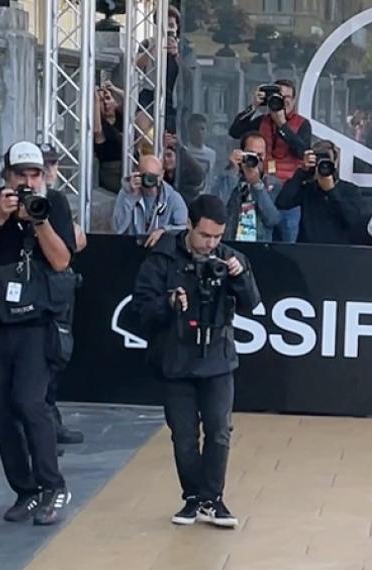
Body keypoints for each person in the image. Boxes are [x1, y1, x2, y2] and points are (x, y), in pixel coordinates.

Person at [0, 141, 77, 525]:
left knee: (31, 402)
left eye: (35, 175)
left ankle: (52, 485)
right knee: (2, 408)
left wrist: (37, 220)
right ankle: (25, 489)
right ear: (6, 176)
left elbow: (62, 261)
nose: (28, 183)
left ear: (44, 176)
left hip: (35, 322)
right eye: (20, 175)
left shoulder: (53, 204)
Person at [130, 195, 261, 528]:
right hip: (175, 358)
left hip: (217, 357)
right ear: (189, 225)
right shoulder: (161, 258)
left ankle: (213, 499)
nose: (211, 244)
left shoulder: (229, 258)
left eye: (217, 237)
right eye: (205, 236)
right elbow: (141, 310)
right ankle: (193, 497)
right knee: (184, 435)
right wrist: (169, 302)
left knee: (219, 430)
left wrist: (239, 275)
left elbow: (252, 303)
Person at [40, 142, 85, 449]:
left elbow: (76, 241)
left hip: (59, 289)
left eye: (53, 164)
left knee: (57, 355)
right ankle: (41, 428)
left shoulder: (55, 200)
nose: (49, 171)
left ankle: (49, 419)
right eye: (43, 166)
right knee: (39, 361)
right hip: (37, 292)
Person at [228, 79, 312, 241]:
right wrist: (253, 106)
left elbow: (302, 151)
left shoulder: (302, 124)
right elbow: (235, 131)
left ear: (294, 101)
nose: (284, 101)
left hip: (289, 198)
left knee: (288, 249)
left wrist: (282, 124)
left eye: (288, 97)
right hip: (263, 194)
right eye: (279, 96)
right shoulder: (263, 121)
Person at [274, 140, 366, 244]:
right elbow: (282, 202)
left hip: (337, 252)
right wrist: (302, 172)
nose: (324, 166)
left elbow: (351, 220)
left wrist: (331, 191)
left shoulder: (350, 190)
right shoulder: (308, 188)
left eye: (327, 162)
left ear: (335, 163)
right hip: (308, 251)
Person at [209, 132, 284, 242]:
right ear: (242, 153)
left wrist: (257, 185)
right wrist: (232, 171)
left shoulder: (273, 184)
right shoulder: (227, 177)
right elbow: (215, 207)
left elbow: (272, 219)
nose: (256, 160)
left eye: (260, 155)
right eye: (252, 155)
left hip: (260, 245)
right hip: (230, 242)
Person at [113, 154, 189, 244]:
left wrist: (164, 231)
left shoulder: (173, 198)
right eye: (147, 175)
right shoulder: (126, 194)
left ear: (161, 175)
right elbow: (118, 228)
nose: (150, 180)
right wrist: (131, 197)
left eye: (154, 176)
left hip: (160, 250)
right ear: (137, 173)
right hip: (132, 246)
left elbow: (183, 227)